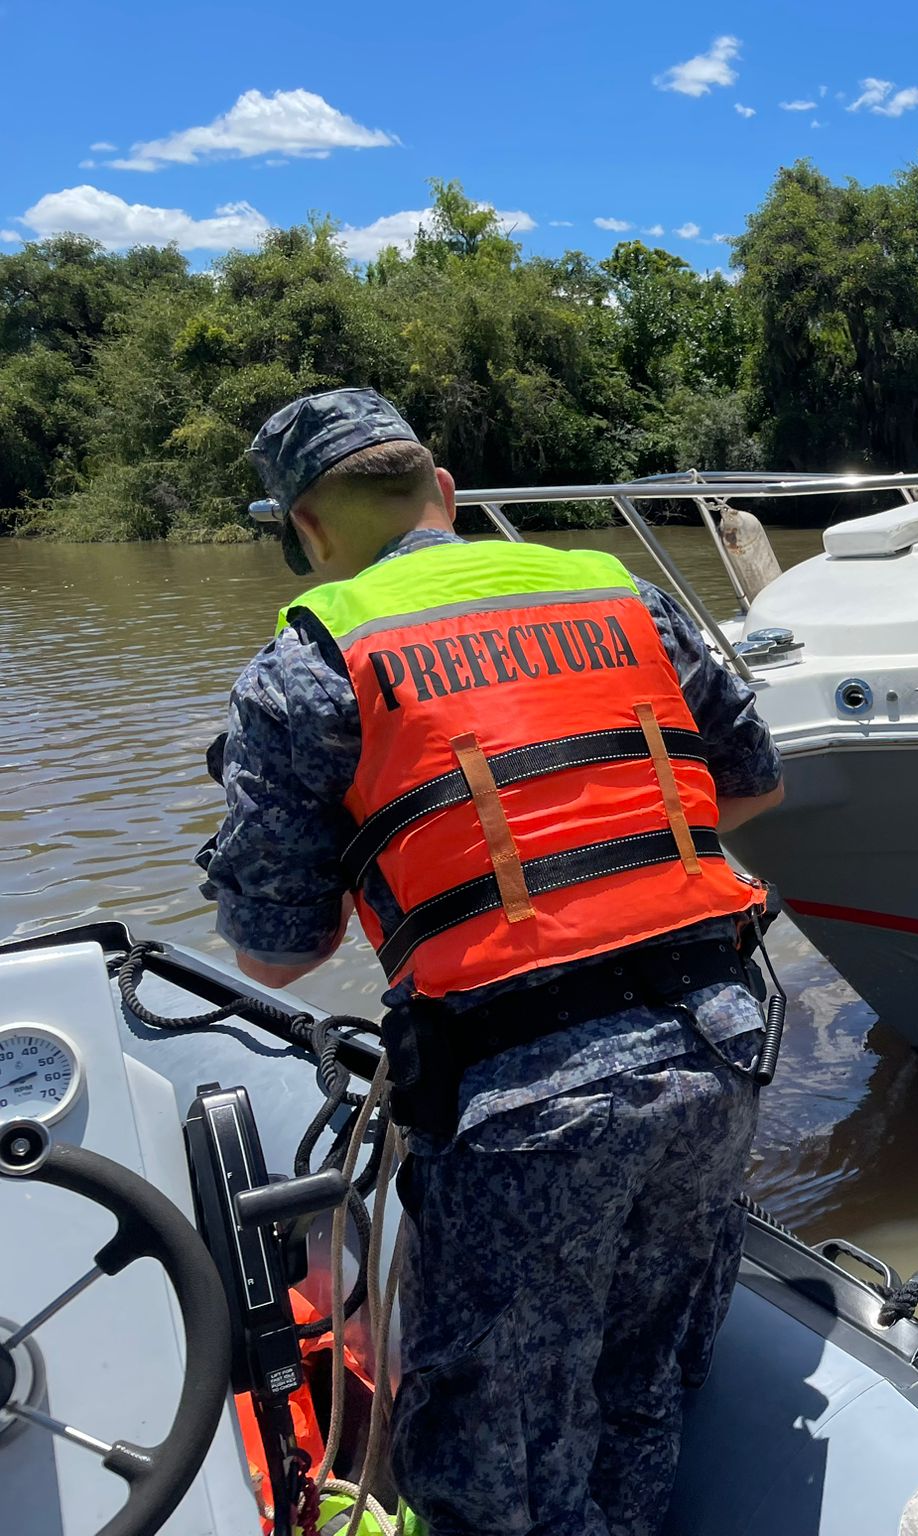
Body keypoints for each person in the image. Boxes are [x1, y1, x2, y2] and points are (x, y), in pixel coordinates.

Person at [205, 386, 786, 1536]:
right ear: (446, 494)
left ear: (306, 533)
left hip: (525, 1107)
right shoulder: (620, 597)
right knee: (643, 1390)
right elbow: (755, 785)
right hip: (717, 1056)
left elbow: (276, 956)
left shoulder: (310, 663)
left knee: (488, 1462)